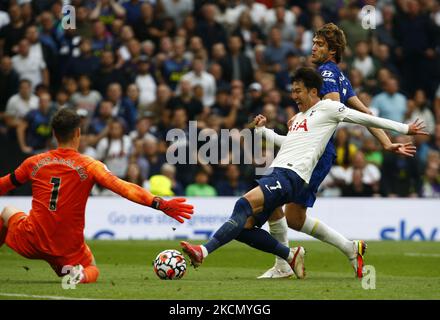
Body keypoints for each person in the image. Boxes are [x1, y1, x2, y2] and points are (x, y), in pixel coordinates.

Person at [180, 68, 426, 278]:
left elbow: (364, 118)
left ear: (312, 91)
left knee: (243, 203)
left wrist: (404, 128)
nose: (294, 95)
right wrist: (263, 131)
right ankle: (290, 255)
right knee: (244, 227)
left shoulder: (330, 108)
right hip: (278, 171)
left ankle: (203, 251)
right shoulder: (298, 117)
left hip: (292, 177)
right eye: (293, 90)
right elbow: (288, 143)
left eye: (298, 90)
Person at [261, 23, 417, 279]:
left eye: (320, 44)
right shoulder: (341, 76)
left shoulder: (327, 74)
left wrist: (302, 115)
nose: (313, 47)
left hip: (314, 152)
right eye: (314, 42)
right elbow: (365, 114)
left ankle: (283, 266)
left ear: (332, 50)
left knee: (272, 200)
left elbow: (332, 106)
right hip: (320, 151)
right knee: (295, 218)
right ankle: (349, 248)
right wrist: (386, 142)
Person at [0, 108, 194, 284]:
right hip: (67, 248)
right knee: (91, 266)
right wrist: (159, 203)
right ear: (78, 133)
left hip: (32, 239)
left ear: (54, 134)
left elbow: (5, 184)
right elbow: (125, 188)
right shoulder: (89, 165)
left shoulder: (34, 162)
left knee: (8, 211)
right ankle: (80, 276)